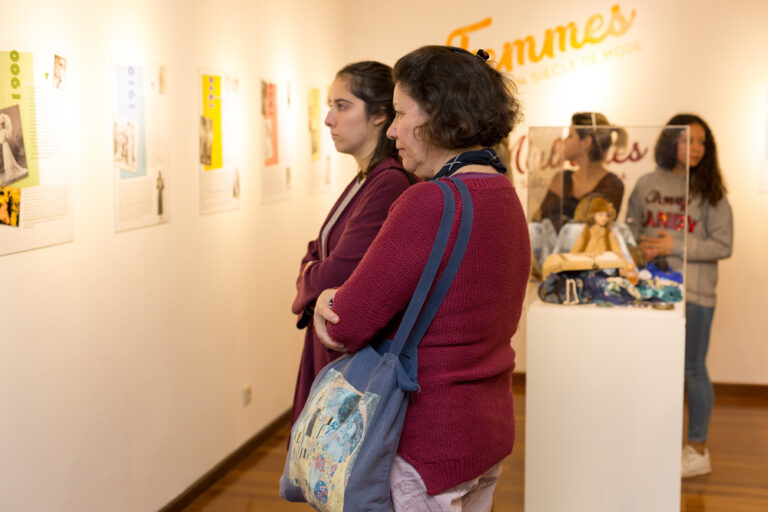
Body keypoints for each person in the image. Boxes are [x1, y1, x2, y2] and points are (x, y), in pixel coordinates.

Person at [313, 46, 529, 510]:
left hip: (428, 444)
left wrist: (325, 299)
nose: (392, 131)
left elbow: (345, 323)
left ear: (438, 115)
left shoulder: (428, 201)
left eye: (400, 113)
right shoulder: (503, 193)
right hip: (486, 431)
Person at [289, 61, 413, 428]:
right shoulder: (367, 178)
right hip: (331, 345)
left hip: (349, 353)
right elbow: (318, 250)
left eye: (342, 106)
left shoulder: (388, 181)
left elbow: (340, 270)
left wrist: (308, 274)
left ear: (379, 115)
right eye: (331, 106)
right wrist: (315, 270)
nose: (329, 119)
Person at [626, 113, 733, 478]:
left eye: (702, 142)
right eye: (689, 140)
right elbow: (630, 229)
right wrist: (641, 246)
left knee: (693, 370)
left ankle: (698, 449)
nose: (696, 148)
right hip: (651, 291)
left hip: (696, 296)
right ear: (671, 141)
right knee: (655, 370)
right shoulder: (646, 183)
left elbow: (723, 244)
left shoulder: (712, 193)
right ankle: (656, 444)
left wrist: (676, 244)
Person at [534, 112, 626, 232]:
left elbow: (600, 232)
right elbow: (540, 223)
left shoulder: (612, 185)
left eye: (570, 136)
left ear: (586, 142)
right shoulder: (562, 178)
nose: (564, 141)